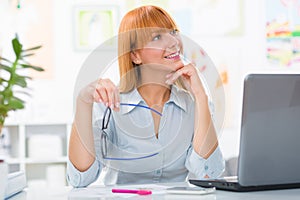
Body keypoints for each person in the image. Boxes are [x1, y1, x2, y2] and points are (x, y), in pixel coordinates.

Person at [67, 5, 225, 187]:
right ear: (135, 55)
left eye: (173, 32)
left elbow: (209, 173)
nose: (173, 42)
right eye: (157, 37)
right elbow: (80, 179)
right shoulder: (108, 104)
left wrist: (201, 96)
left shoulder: (195, 104)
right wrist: (83, 103)